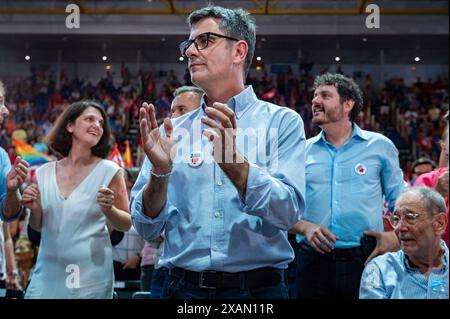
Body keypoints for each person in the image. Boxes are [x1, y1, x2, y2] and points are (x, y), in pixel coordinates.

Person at [131, 6, 305, 299]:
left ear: (239, 51)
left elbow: (287, 215)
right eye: (188, 44)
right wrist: (160, 174)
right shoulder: (172, 132)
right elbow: (147, 228)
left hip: (257, 291)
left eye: (204, 41)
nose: (189, 52)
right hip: (180, 288)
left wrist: (234, 164)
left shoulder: (282, 122)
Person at [290, 73, 405, 299]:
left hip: (365, 259)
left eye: (325, 95)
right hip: (311, 261)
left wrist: (396, 236)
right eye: (314, 96)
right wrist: (304, 227)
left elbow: (400, 201)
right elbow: (282, 208)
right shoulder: (301, 151)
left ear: (347, 104)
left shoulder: (380, 146)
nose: (315, 101)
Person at [21, 100, 131, 298]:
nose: (97, 125)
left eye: (101, 123)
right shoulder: (42, 173)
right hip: (47, 275)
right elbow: (37, 230)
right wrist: (35, 210)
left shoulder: (111, 171)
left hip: (90, 280)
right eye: (90, 119)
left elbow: (125, 224)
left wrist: (109, 210)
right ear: (70, 126)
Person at [359, 187, 448, 299]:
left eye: (410, 217)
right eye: (396, 219)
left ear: (439, 223)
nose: (399, 228)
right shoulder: (379, 271)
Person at [0, 80, 28, 295]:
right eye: (0, 102)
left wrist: (11, 192)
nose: (6, 110)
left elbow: (8, 216)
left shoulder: (1, 156)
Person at [414, 111, 449, 245]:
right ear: (444, 147)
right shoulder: (426, 181)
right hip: (435, 260)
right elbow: (412, 222)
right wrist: (437, 193)